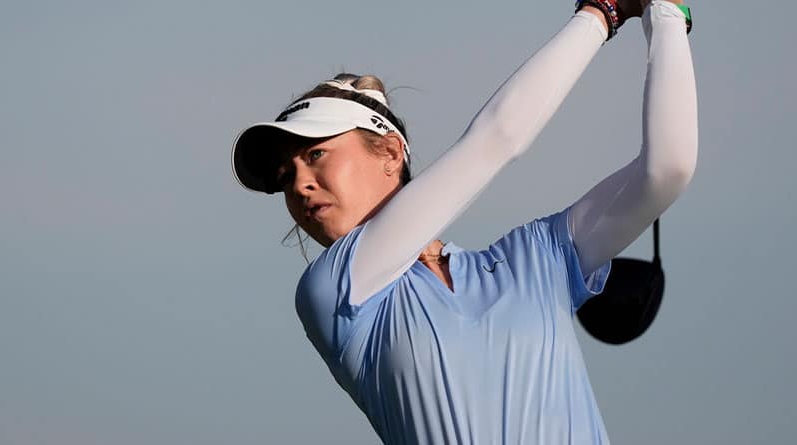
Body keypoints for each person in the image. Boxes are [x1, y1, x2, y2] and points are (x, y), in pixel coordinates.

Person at [232, 0, 697, 443]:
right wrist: (602, 12)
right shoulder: (333, 290)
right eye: (285, 175)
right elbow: (498, 138)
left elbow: (667, 169)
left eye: (315, 155)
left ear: (391, 152)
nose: (300, 185)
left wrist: (666, 15)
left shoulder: (535, 258)